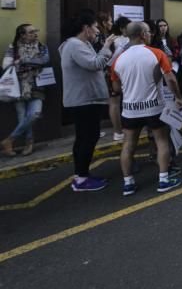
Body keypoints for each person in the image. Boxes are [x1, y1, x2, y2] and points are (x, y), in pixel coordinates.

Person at [110, 22, 182, 196]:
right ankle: (164, 180)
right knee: (161, 141)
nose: (151, 34)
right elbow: (171, 79)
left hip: (129, 109)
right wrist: (179, 98)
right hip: (154, 107)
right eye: (149, 32)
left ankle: (128, 184)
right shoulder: (156, 53)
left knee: (128, 145)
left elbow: (116, 88)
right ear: (143, 34)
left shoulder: (119, 59)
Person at [59, 10, 117, 192]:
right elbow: (95, 64)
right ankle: (82, 178)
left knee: (85, 138)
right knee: (87, 138)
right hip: (85, 100)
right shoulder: (75, 45)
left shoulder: (79, 44)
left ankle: (81, 175)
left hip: (87, 99)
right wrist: (107, 46)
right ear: (85, 28)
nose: (97, 31)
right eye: (95, 27)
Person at [2, 24, 50, 156]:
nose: (35, 34)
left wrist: (21, 61)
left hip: (37, 86)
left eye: (36, 31)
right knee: (22, 117)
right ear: (22, 35)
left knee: (34, 114)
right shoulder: (13, 48)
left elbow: (44, 61)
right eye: (31, 32)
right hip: (18, 87)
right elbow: (6, 65)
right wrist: (31, 62)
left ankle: (9, 140)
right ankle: (29, 143)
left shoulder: (42, 47)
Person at [107, 16, 131, 141]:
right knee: (115, 101)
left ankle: (123, 128)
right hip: (116, 72)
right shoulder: (117, 40)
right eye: (128, 27)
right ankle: (118, 131)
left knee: (120, 100)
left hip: (123, 72)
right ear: (122, 28)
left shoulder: (127, 38)